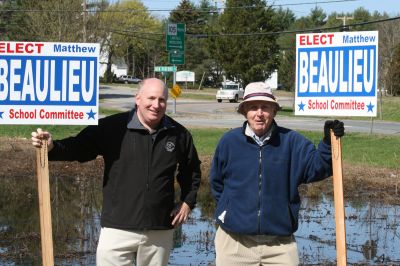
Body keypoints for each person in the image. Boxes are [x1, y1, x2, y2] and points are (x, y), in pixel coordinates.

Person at [31, 78, 202, 266]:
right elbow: (79, 147)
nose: (156, 105)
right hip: (117, 228)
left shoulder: (179, 134)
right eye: (151, 98)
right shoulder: (112, 127)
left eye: (162, 100)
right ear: (138, 99)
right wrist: (53, 147)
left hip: (159, 228)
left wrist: (187, 201)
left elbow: (191, 170)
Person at [209, 81, 344, 265]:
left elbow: (318, 167)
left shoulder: (292, 142)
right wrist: (229, 210)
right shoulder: (229, 142)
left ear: (274, 111)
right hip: (234, 243)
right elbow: (217, 183)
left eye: (265, 107)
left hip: (280, 244)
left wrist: (328, 144)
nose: (259, 113)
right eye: (253, 107)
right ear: (244, 111)